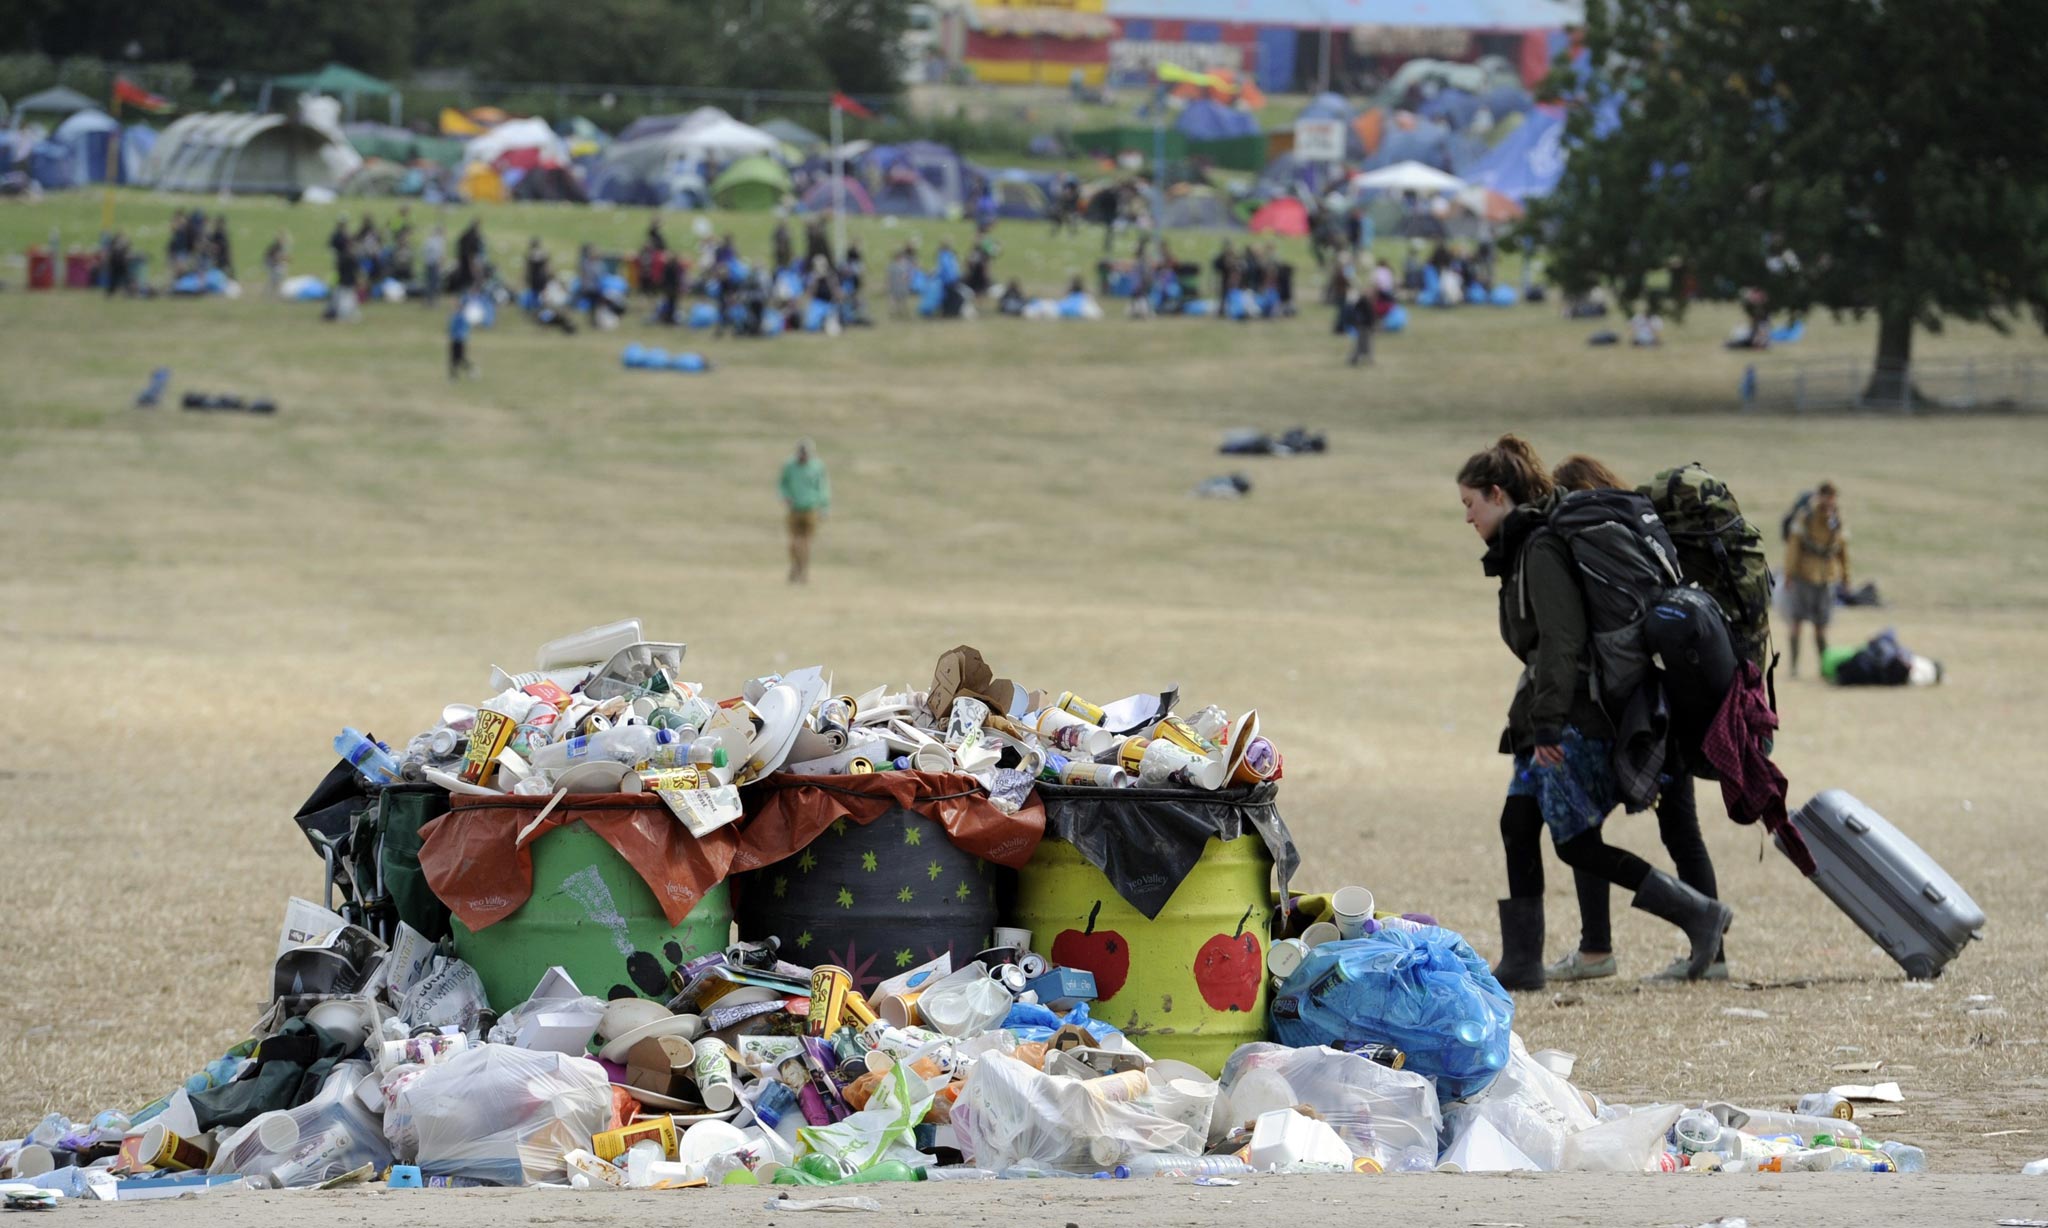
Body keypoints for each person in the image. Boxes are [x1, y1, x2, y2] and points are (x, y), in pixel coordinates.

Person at [1457, 435, 1734, 992]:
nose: (1467, 519)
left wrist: (1549, 724)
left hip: (1573, 719)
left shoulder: (1539, 548)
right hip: (1548, 711)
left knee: (1576, 841)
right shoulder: (1524, 547)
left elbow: (1562, 640)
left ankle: (1697, 914)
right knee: (1517, 824)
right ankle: (1522, 962)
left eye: (1470, 505)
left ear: (1497, 493)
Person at [1543, 454, 1730, 983]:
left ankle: (1596, 950)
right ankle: (1713, 956)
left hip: (1627, 710)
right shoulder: (1645, 524)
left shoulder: (1586, 536)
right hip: (1674, 697)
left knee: (1584, 824)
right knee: (1683, 832)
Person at [1780, 481, 1850, 678]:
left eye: (1832, 496)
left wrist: (1846, 576)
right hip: (1803, 575)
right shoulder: (1806, 517)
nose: (1828, 501)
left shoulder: (1837, 519)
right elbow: (1793, 547)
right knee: (1796, 622)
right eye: (1825, 496)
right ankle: (1794, 668)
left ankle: (1823, 666)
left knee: (1821, 626)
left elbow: (1842, 549)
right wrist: (1788, 573)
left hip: (1826, 577)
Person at [779, 440, 830, 584]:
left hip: (811, 508)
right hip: (795, 508)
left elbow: (823, 487)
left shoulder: (817, 467)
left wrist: (824, 507)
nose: (803, 457)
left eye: (806, 454)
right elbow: (782, 483)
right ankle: (795, 566)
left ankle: (803, 571)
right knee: (794, 542)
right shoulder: (790, 466)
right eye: (801, 454)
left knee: (807, 542)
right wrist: (785, 496)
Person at [447, 294, 476, 379]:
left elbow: (464, 328)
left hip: (459, 340)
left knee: (460, 358)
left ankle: (471, 370)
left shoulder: (461, 316)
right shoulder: (455, 315)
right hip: (454, 339)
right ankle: (454, 376)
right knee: (453, 359)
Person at [421, 224, 446, 305]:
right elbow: (440, 254)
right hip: (434, 264)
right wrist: (441, 264)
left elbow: (423, 251)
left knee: (429, 282)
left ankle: (429, 300)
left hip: (428, 263)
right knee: (433, 283)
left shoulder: (429, 240)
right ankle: (432, 301)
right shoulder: (438, 241)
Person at [263, 230, 289, 297]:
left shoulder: (278, 246)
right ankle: (270, 294)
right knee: (275, 279)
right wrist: (284, 259)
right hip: (272, 264)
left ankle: (270, 293)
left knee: (275, 280)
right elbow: (276, 257)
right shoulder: (277, 247)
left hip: (273, 264)